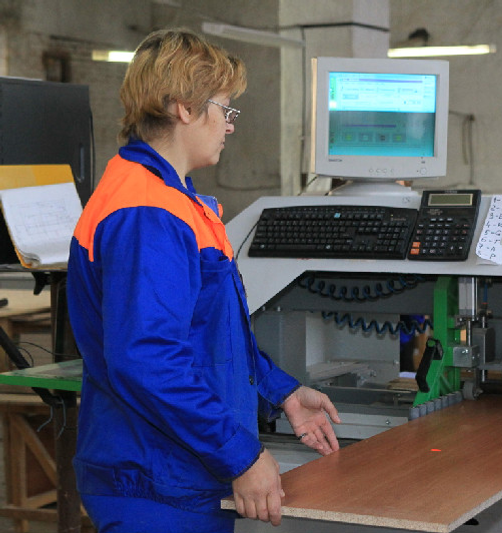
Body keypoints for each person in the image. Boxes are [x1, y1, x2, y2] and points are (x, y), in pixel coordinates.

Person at [66, 28, 340, 533]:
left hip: (178, 471)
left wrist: (281, 392)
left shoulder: (175, 201)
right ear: (185, 108)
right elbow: (148, 359)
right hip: (154, 480)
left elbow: (209, 337)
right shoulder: (146, 212)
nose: (229, 124)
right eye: (225, 108)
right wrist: (241, 455)